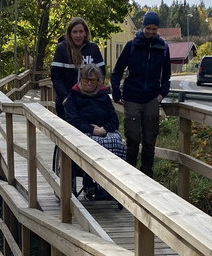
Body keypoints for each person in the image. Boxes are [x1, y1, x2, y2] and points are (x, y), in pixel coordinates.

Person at [111, 11, 171, 177]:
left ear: (157, 29)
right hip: (132, 97)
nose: (151, 32)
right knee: (133, 138)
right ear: (143, 27)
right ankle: (129, 176)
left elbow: (166, 75)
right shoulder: (132, 46)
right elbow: (117, 71)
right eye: (148, 28)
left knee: (150, 140)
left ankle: (146, 176)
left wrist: (162, 94)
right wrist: (116, 93)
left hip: (152, 98)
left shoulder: (163, 48)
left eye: (154, 29)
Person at [64, 64, 126, 198]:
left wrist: (104, 129)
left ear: (99, 81)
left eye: (93, 80)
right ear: (80, 80)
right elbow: (73, 120)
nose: (89, 84)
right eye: (86, 80)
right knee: (94, 144)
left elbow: (114, 120)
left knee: (116, 141)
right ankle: (96, 184)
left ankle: (111, 185)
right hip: (82, 133)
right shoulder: (73, 97)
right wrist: (92, 130)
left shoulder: (103, 96)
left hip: (104, 131)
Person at [50, 17, 105, 119]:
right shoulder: (62, 48)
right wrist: (66, 97)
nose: (78, 35)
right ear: (70, 33)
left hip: (88, 102)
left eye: (81, 31)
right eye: (75, 32)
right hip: (67, 102)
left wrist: (96, 96)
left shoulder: (93, 48)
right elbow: (56, 77)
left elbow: (101, 75)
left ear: (85, 33)